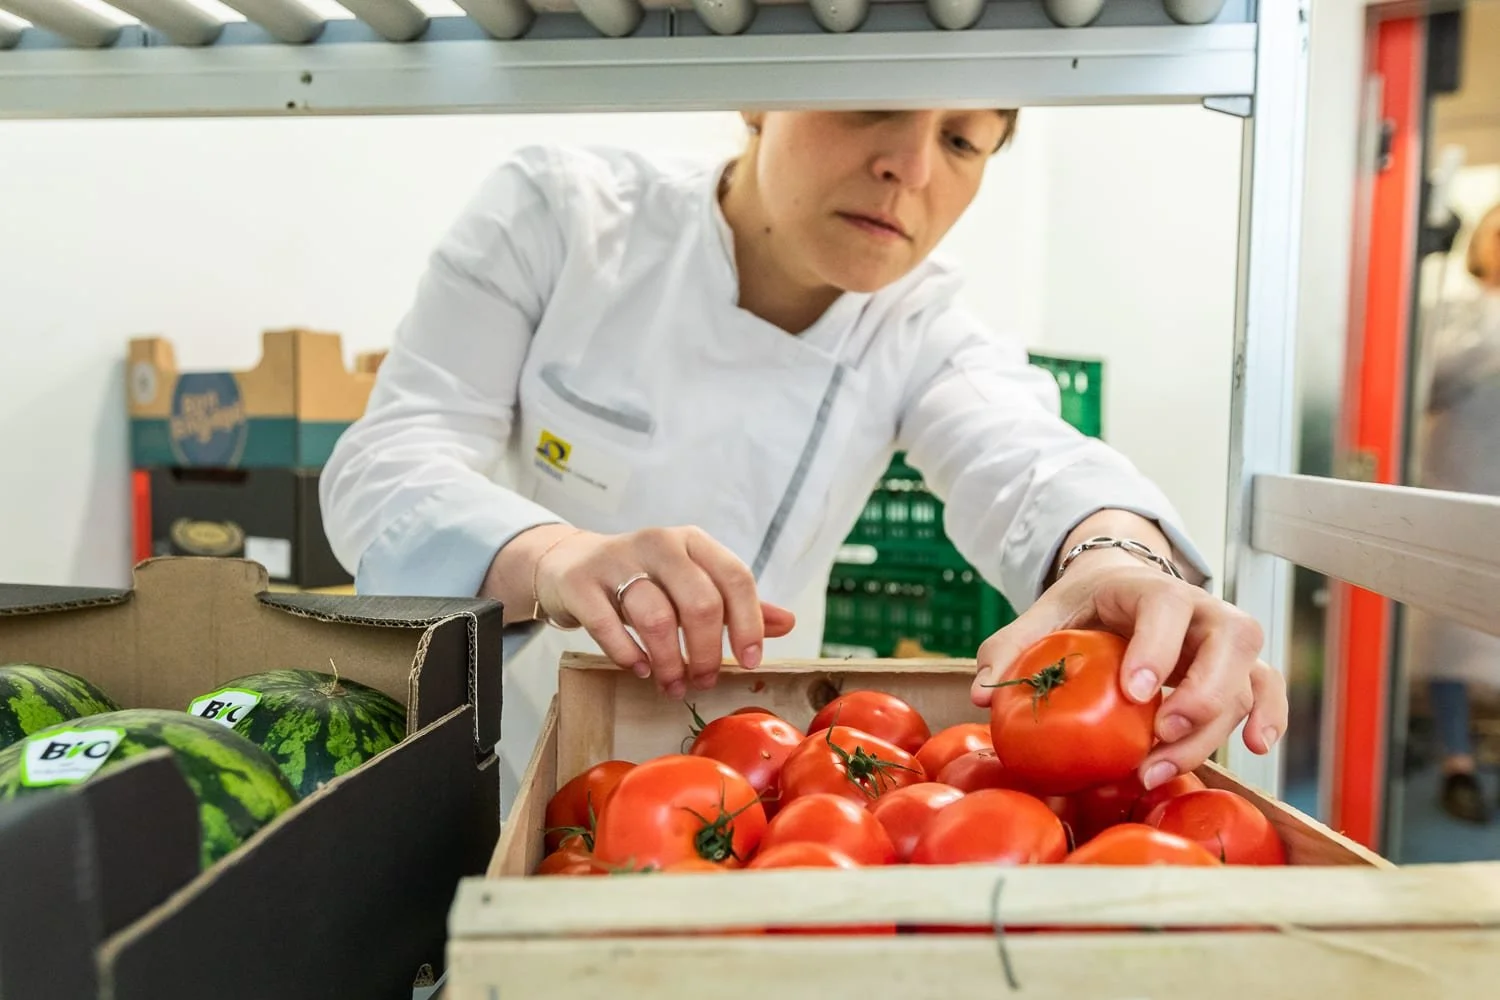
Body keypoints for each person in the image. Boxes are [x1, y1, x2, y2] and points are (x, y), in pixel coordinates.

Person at [321, 110, 1286, 803]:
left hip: (774, 794)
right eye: (871, 104)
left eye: (962, 141)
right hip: (518, 769)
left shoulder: (920, 327)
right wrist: (554, 555)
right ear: (759, 91)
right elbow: (388, 462)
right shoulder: (562, 217)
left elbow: (1031, 456)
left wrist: (1121, 556)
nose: (910, 167)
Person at [1408, 201, 1500, 824]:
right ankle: (1457, 763)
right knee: (1447, 639)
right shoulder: (1453, 313)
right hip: (1458, 487)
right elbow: (1422, 383)